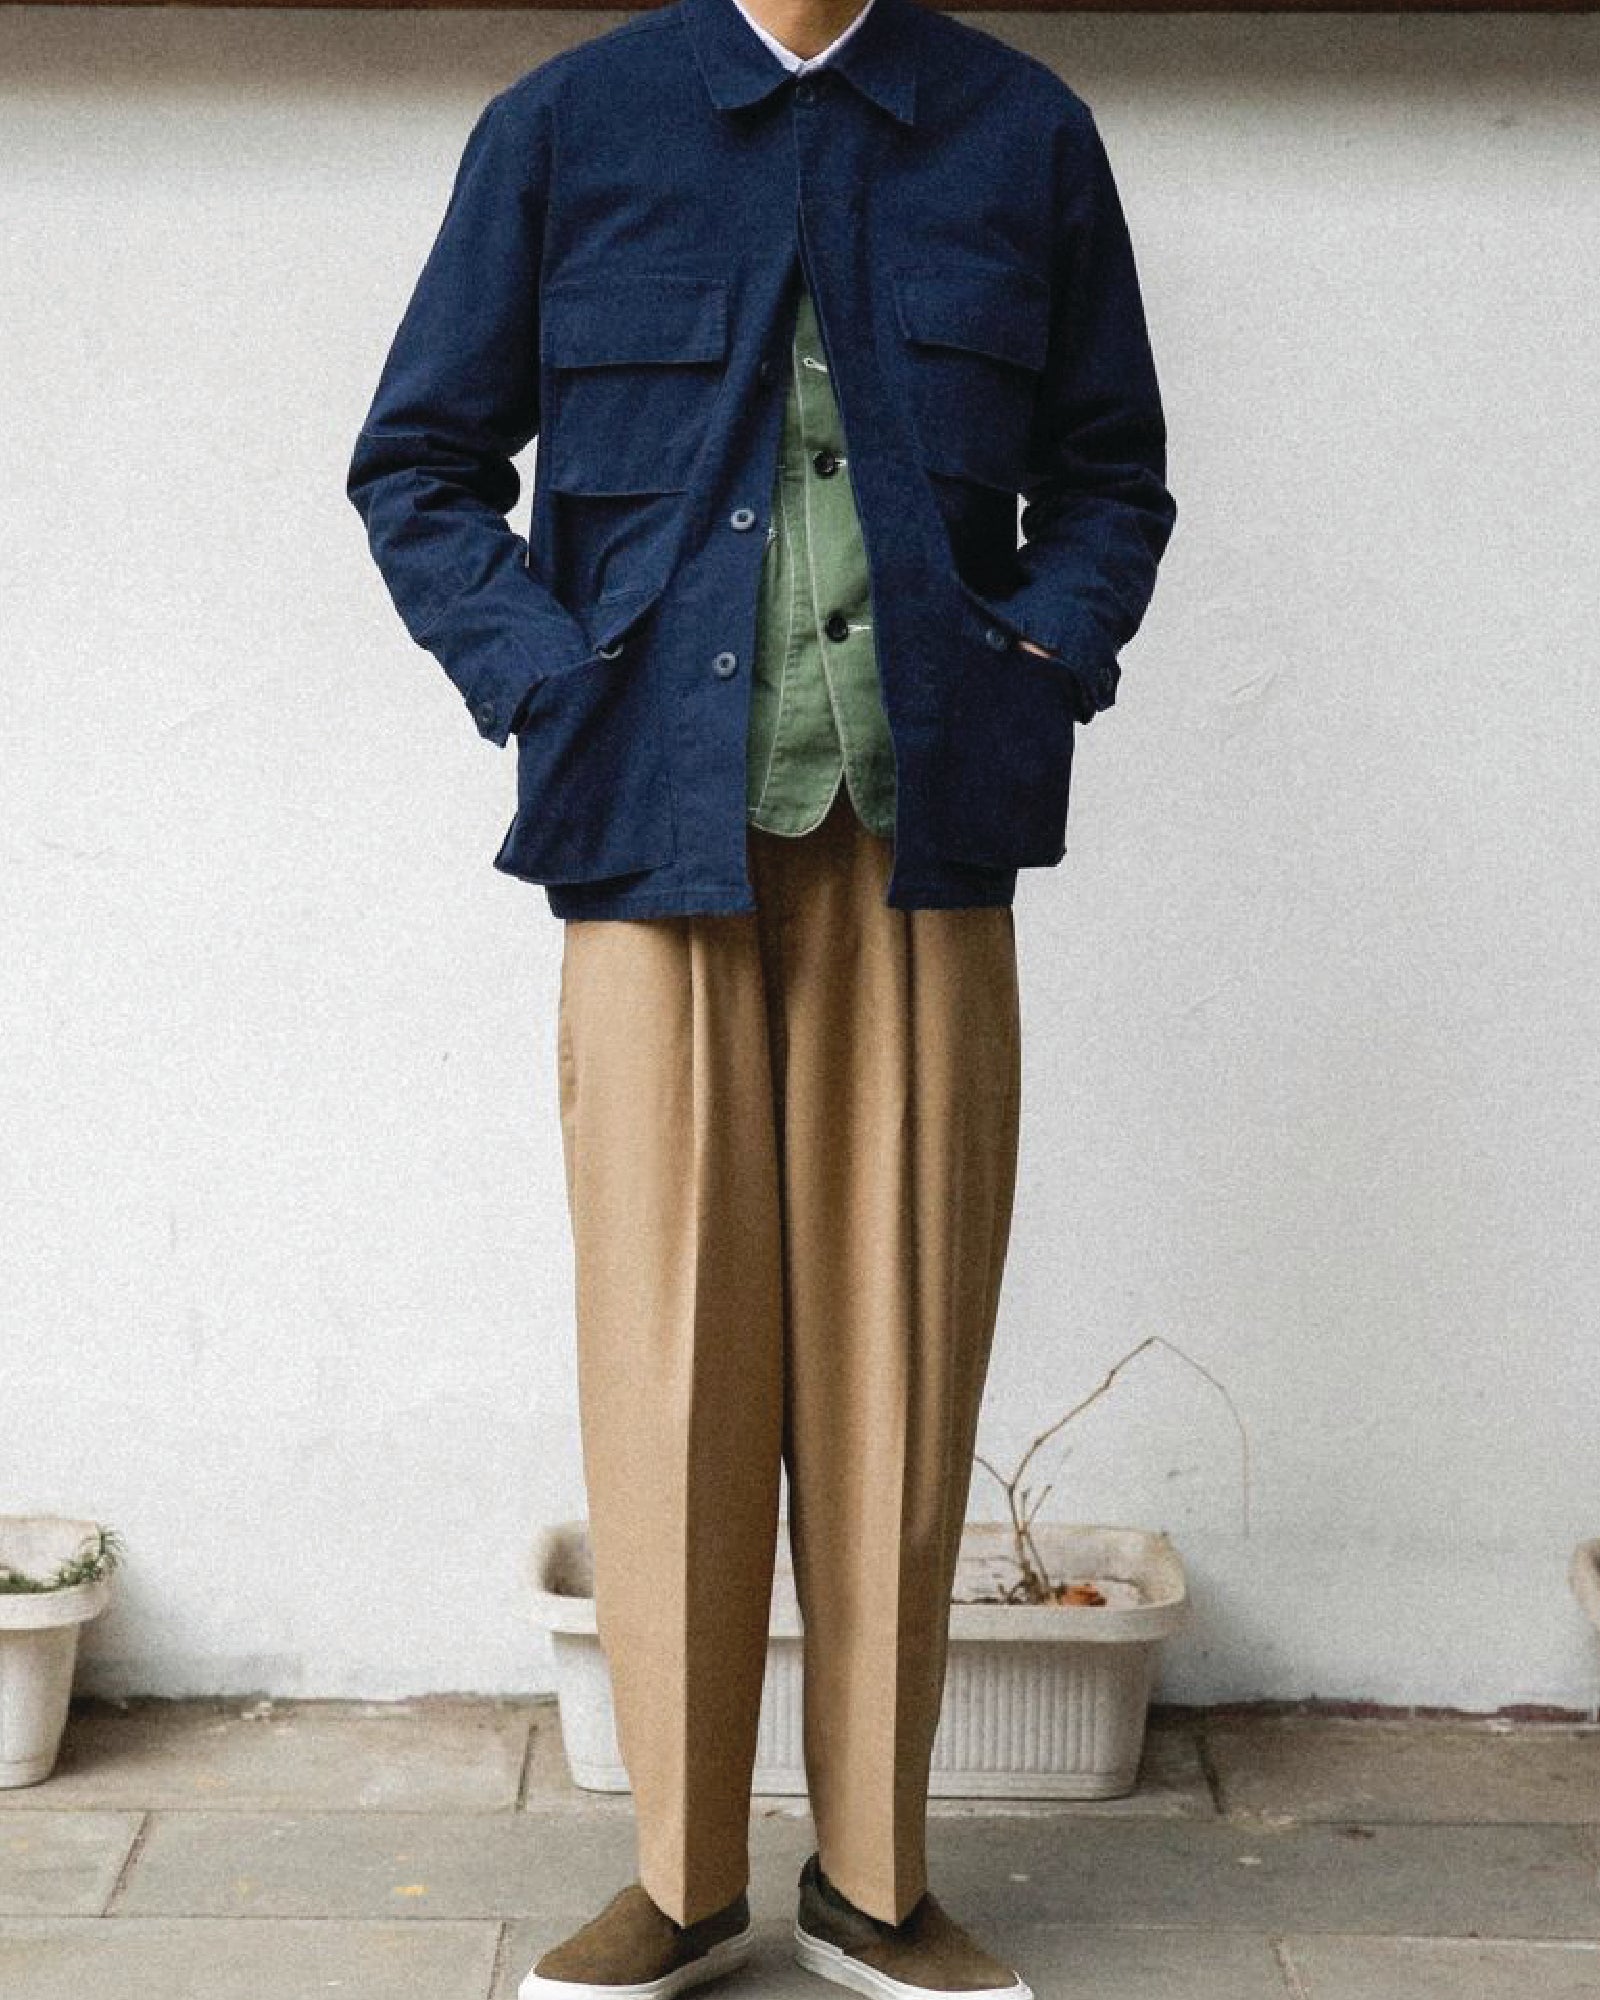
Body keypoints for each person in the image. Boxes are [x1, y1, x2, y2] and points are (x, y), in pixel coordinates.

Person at [346, 0, 1174, 1990]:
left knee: (895, 1362)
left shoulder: (1019, 133)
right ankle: (683, 1868)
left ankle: (876, 1878)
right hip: (648, 842)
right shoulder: (570, 127)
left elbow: (1108, 475)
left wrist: (1034, 657)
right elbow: (419, 462)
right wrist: (545, 680)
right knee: (668, 1364)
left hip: (924, 839)